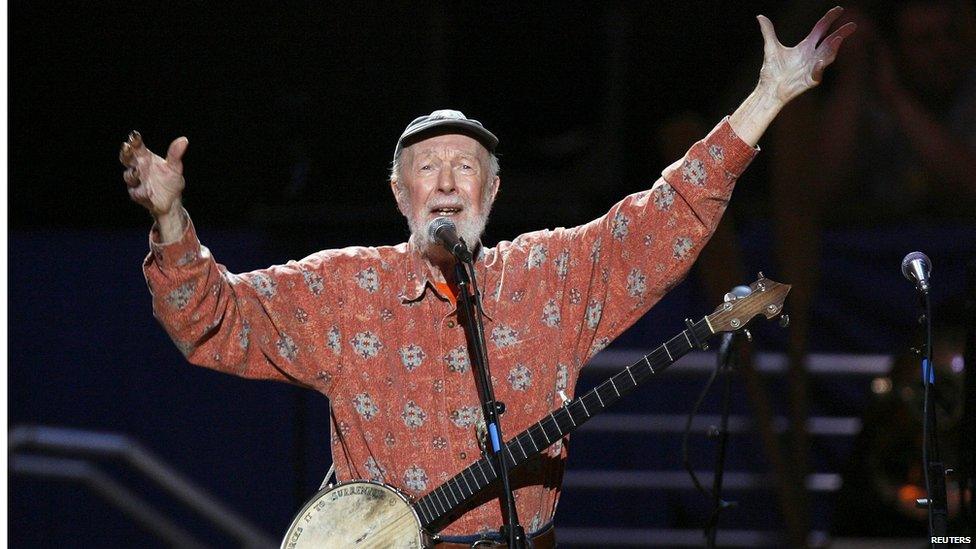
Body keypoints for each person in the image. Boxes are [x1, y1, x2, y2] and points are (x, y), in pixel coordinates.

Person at [119, 8, 853, 545]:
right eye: (425, 171)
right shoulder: (342, 289)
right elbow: (210, 318)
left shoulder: (549, 276)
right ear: (402, 197)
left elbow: (666, 215)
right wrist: (171, 218)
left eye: (462, 167)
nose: (445, 182)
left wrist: (770, 97)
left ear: (489, 193)